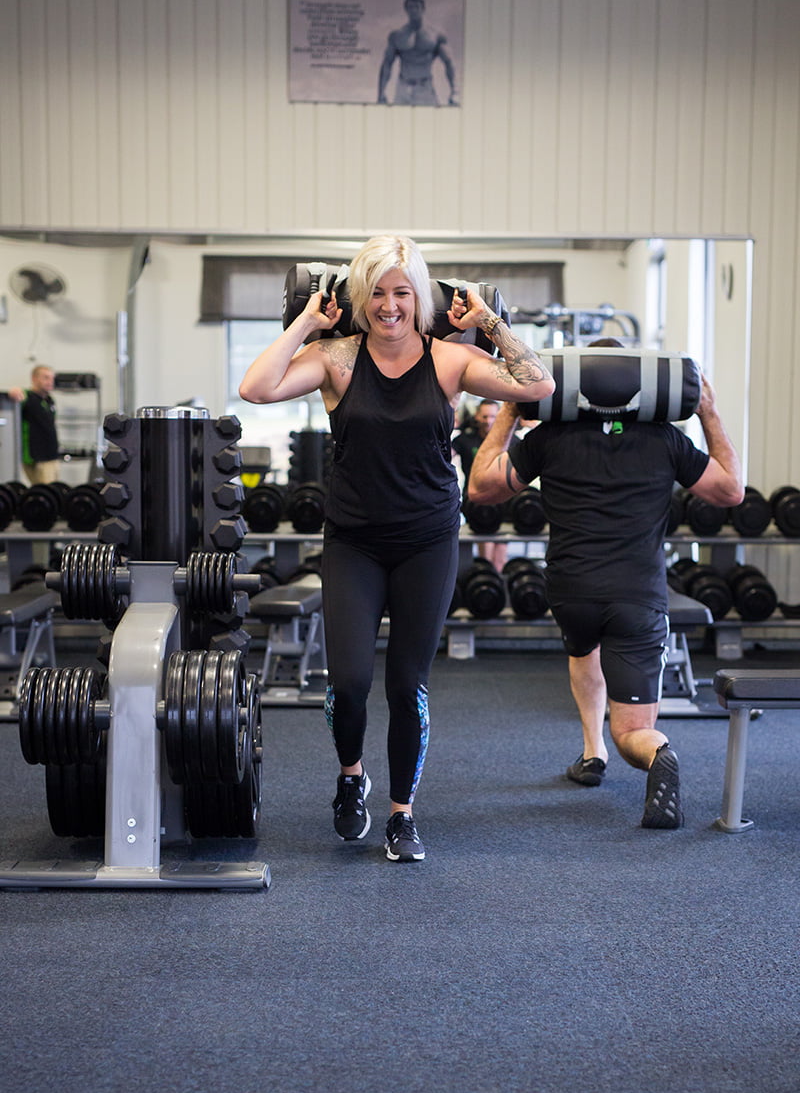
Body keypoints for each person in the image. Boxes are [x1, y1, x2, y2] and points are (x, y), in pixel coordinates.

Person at [239, 234, 554, 861]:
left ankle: (402, 813)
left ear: (420, 298)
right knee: (351, 681)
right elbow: (256, 387)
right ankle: (352, 776)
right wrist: (307, 319)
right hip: (353, 541)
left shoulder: (449, 361)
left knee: (408, 683)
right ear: (360, 297)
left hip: (428, 540)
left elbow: (538, 385)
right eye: (377, 292)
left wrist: (488, 323)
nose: (389, 305)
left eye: (402, 292)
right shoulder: (335, 358)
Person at [467, 344, 744, 829]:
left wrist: (511, 406)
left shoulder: (552, 436)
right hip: (637, 597)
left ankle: (592, 753)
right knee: (634, 729)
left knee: (583, 652)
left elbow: (481, 487)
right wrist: (709, 411)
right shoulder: (664, 439)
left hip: (571, 593)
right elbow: (730, 491)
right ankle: (655, 754)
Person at [453, 399, 509, 571]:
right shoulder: (465, 439)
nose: (488, 421)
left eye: (493, 416)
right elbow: (442, 459)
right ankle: (487, 582)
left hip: (505, 501)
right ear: (477, 416)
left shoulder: (509, 439)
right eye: (484, 416)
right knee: (486, 556)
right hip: (477, 501)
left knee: (499, 558)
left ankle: (498, 590)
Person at [377, 0, 458, 107]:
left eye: (417, 7)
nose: (414, 10)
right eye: (410, 7)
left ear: (423, 9)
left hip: (425, 87)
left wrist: (455, 91)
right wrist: (381, 93)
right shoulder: (397, 36)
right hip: (403, 87)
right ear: (406, 10)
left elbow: (449, 62)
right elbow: (387, 64)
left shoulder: (435, 35)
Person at [8, 365, 60, 484]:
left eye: (52, 378)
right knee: (45, 493)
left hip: (52, 456)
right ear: (34, 379)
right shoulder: (26, 397)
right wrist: (13, 391)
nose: (50, 382)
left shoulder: (50, 400)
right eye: (46, 378)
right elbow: (15, 394)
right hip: (37, 458)